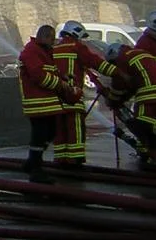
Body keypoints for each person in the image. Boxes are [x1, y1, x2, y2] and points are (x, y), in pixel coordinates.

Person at [104, 42, 156, 174]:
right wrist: (124, 98)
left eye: (113, 62)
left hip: (147, 96)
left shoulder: (123, 59)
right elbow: (134, 83)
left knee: (141, 123)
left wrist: (112, 100)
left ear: (114, 55)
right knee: (155, 129)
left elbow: (119, 84)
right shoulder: (143, 54)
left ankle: (151, 151)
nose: (114, 65)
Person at [51, 20, 119, 167]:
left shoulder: (54, 49)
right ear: (76, 33)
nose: (82, 40)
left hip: (55, 100)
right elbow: (96, 62)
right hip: (72, 97)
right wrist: (117, 72)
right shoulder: (76, 47)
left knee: (60, 131)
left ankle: (60, 161)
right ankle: (75, 161)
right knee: (75, 130)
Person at [18, 24, 80, 182]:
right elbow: (39, 76)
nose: (54, 42)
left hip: (47, 102)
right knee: (39, 135)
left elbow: (49, 70)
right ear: (44, 36)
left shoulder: (44, 51)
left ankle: (32, 161)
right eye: (52, 39)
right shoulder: (31, 51)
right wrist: (62, 85)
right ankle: (36, 169)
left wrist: (63, 77)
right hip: (37, 103)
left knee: (51, 131)